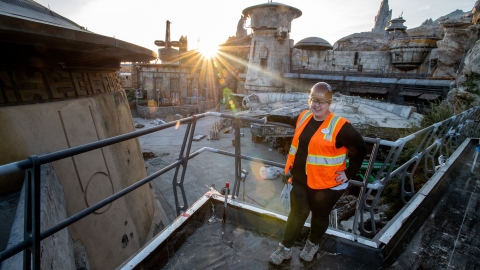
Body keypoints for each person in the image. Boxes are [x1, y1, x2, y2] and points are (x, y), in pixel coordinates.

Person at [266, 82, 366, 265]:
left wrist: (349, 173)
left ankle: (312, 245)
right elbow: (290, 120)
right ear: (309, 100)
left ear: (329, 104)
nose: (316, 105)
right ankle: (285, 249)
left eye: (321, 102)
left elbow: (360, 148)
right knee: (297, 213)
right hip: (300, 178)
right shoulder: (304, 117)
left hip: (326, 183)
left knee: (320, 216)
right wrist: (270, 117)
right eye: (313, 100)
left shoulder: (340, 126)